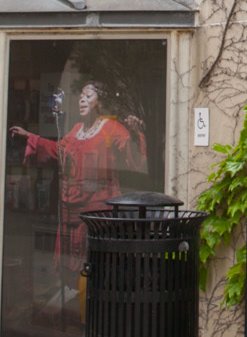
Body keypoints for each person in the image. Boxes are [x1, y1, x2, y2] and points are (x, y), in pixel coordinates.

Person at [11, 80, 146, 298]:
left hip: (98, 216)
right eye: (81, 96)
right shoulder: (76, 130)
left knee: (99, 272)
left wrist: (136, 133)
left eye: (88, 96)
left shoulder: (111, 128)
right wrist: (30, 137)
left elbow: (133, 154)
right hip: (71, 212)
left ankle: (95, 315)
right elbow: (59, 152)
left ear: (99, 101)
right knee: (76, 278)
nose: (82, 99)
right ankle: (80, 317)